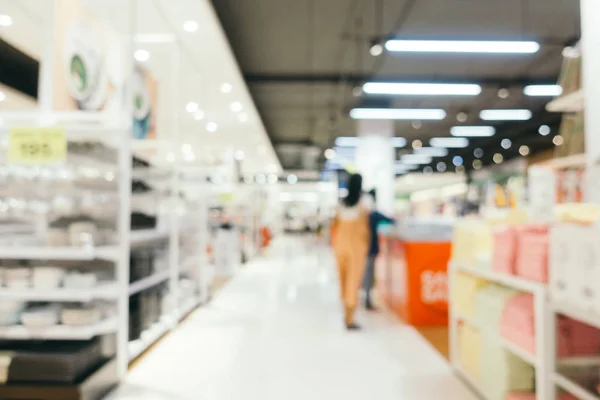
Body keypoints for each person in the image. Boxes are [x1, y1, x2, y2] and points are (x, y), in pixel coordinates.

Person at [331, 174, 369, 330]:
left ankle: (346, 316)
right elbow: (365, 231)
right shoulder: (362, 205)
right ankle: (350, 318)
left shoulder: (341, 204)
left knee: (343, 279)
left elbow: (334, 226)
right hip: (355, 247)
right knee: (353, 282)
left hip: (340, 246)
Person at [363, 189, 395, 310]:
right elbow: (391, 220)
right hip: (369, 249)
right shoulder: (372, 215)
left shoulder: (363, 216)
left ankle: (366, 299)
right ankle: (367, 300)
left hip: (364, 249)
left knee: (367, 275)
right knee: (369, 275)